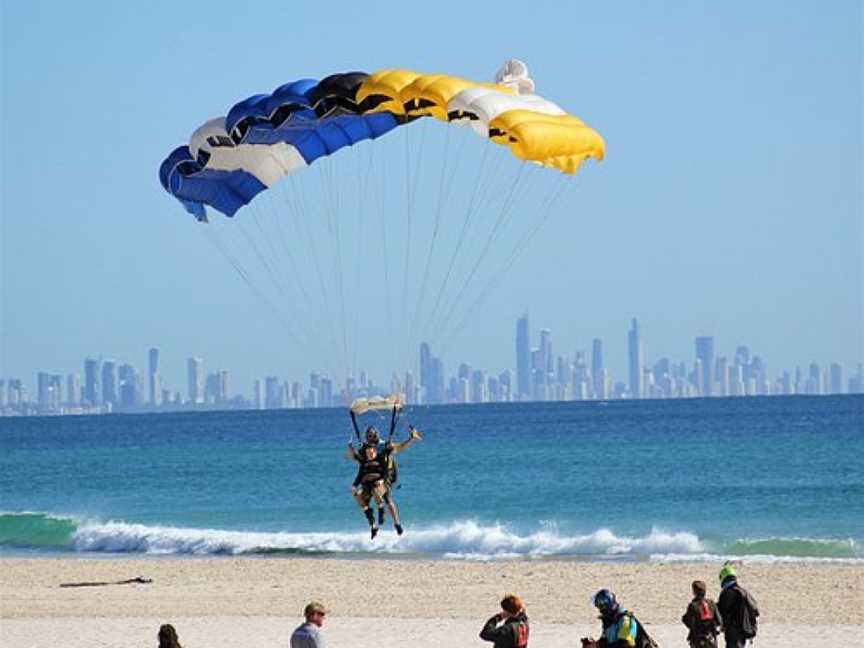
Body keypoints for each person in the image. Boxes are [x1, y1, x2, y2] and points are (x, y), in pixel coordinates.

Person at [347, 406, 421, 539]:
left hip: (385, 477)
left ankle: (396, 523)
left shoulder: (385, 446)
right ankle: (373, 524)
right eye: (368, 437)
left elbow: (400, 447)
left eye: (372, 436)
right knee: (360, 497)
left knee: (386, 498)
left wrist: (411, 439)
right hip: (368, 480)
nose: (370, 439)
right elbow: (358, 462)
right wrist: (351, 452)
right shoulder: (365, 449)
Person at [581, 589, 656, 648]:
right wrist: (594, 644)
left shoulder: (625, 619)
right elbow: (605, 641)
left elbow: (625, 644)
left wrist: (600, 646)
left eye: (600, 606)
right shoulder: (609, 621)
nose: (599, 610)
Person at [717, 564, 759, 648]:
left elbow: (720, 611)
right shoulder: (743, 591)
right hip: (743, 629)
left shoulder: (728, 593)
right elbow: (755, 610)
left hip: (734, 631)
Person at [682, 580, 722, 648]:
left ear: (694, 592)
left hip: (697, 640)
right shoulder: (711, 603)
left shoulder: (693, 606)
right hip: (711, 639)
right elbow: (719, 621)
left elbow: (690, 623)